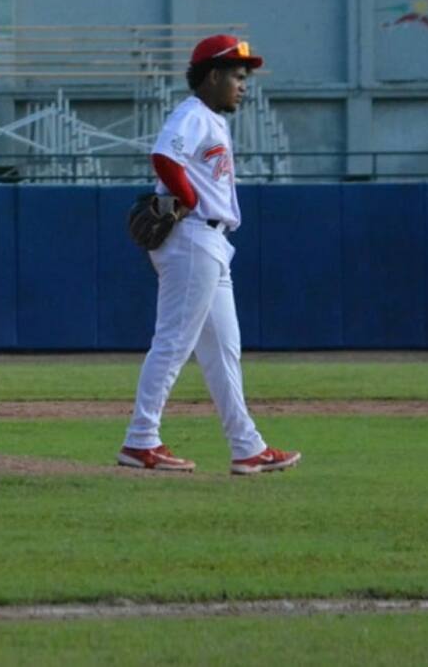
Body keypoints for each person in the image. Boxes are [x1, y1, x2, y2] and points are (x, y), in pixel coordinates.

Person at [118, 34, 302, 475]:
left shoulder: (212, 120)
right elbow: (164, 157)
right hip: (193, 238)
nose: (243, 85)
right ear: (213, 75)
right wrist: (187, 198)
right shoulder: (192, 115)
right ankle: (141, 440)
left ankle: (247, 446)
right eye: (237, 76)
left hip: (212, 243)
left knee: (224, 352)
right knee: (173, 341)